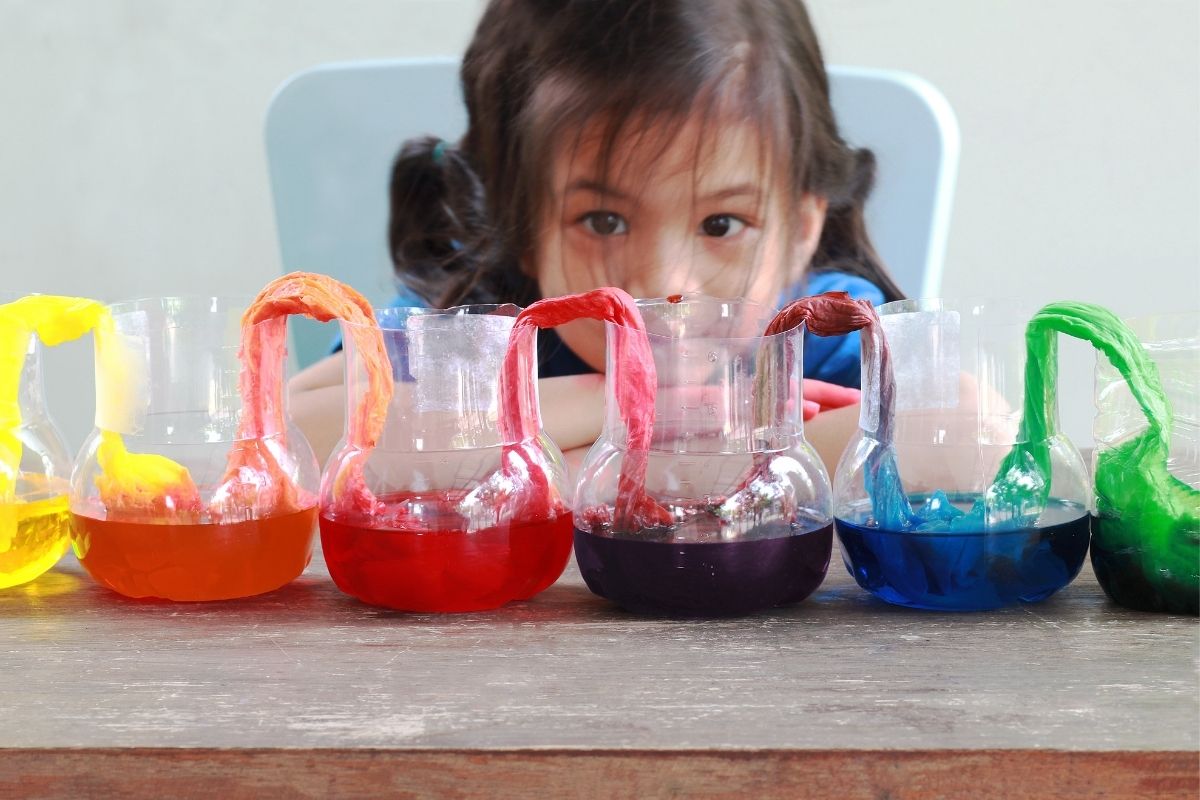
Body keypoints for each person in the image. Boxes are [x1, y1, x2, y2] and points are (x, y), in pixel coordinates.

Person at [290, 0, 905, 470]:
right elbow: (293, 428)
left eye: (721, 224)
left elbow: (943, 441)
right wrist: (625, 406)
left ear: (801, 230)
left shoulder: (819, 331)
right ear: (522, 225)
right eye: (604, 221)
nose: (665, 283)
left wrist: (556, 464)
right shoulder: (467, 324)